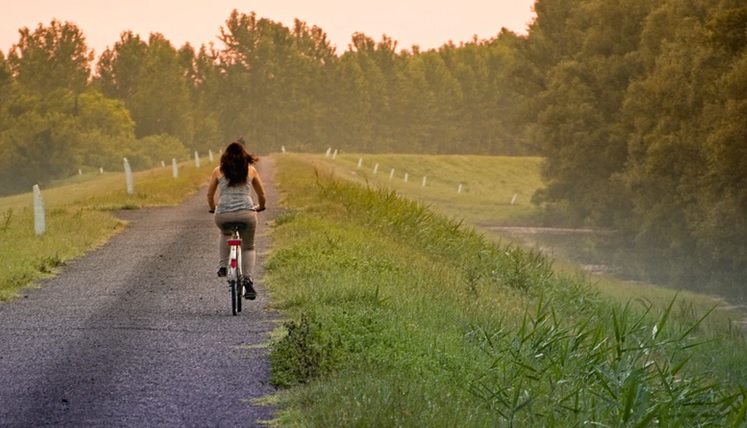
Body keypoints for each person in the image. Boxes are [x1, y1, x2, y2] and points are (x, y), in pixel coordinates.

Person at [207, 140, 266, 300]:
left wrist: (213, 208)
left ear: (225, 157)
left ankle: (223, 266)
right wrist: (261, 206)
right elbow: (261, 194)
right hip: (247, 213)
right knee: (248, 246)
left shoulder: (218, 171)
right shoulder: (251, 170)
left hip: (223, 214)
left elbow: (209, 195)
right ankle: (248, 281)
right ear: (245, 156)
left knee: (225, 233)